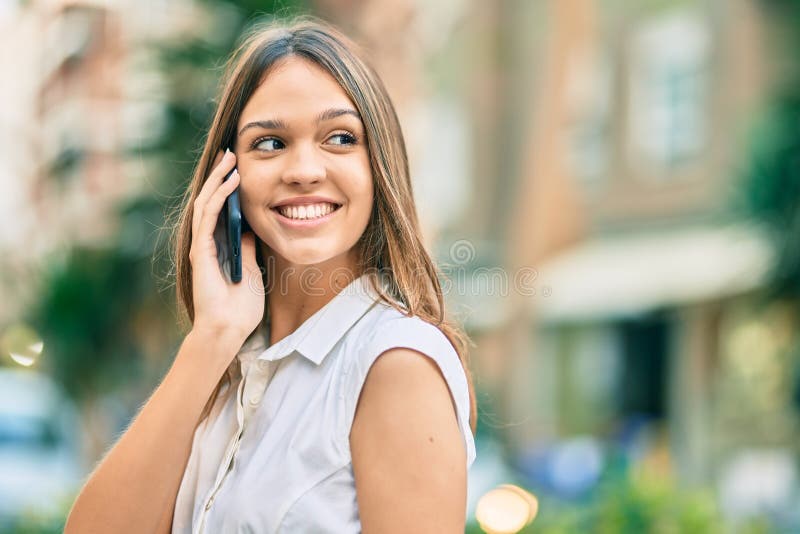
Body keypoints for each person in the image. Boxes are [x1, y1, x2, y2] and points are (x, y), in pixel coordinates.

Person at [65, 16, 477, 534]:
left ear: (379, 167)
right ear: (227, 180)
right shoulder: (228, 369)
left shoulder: (394, 363)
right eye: (270, 143)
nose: (304, 170)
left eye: (340, 137)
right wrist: (212, 337)